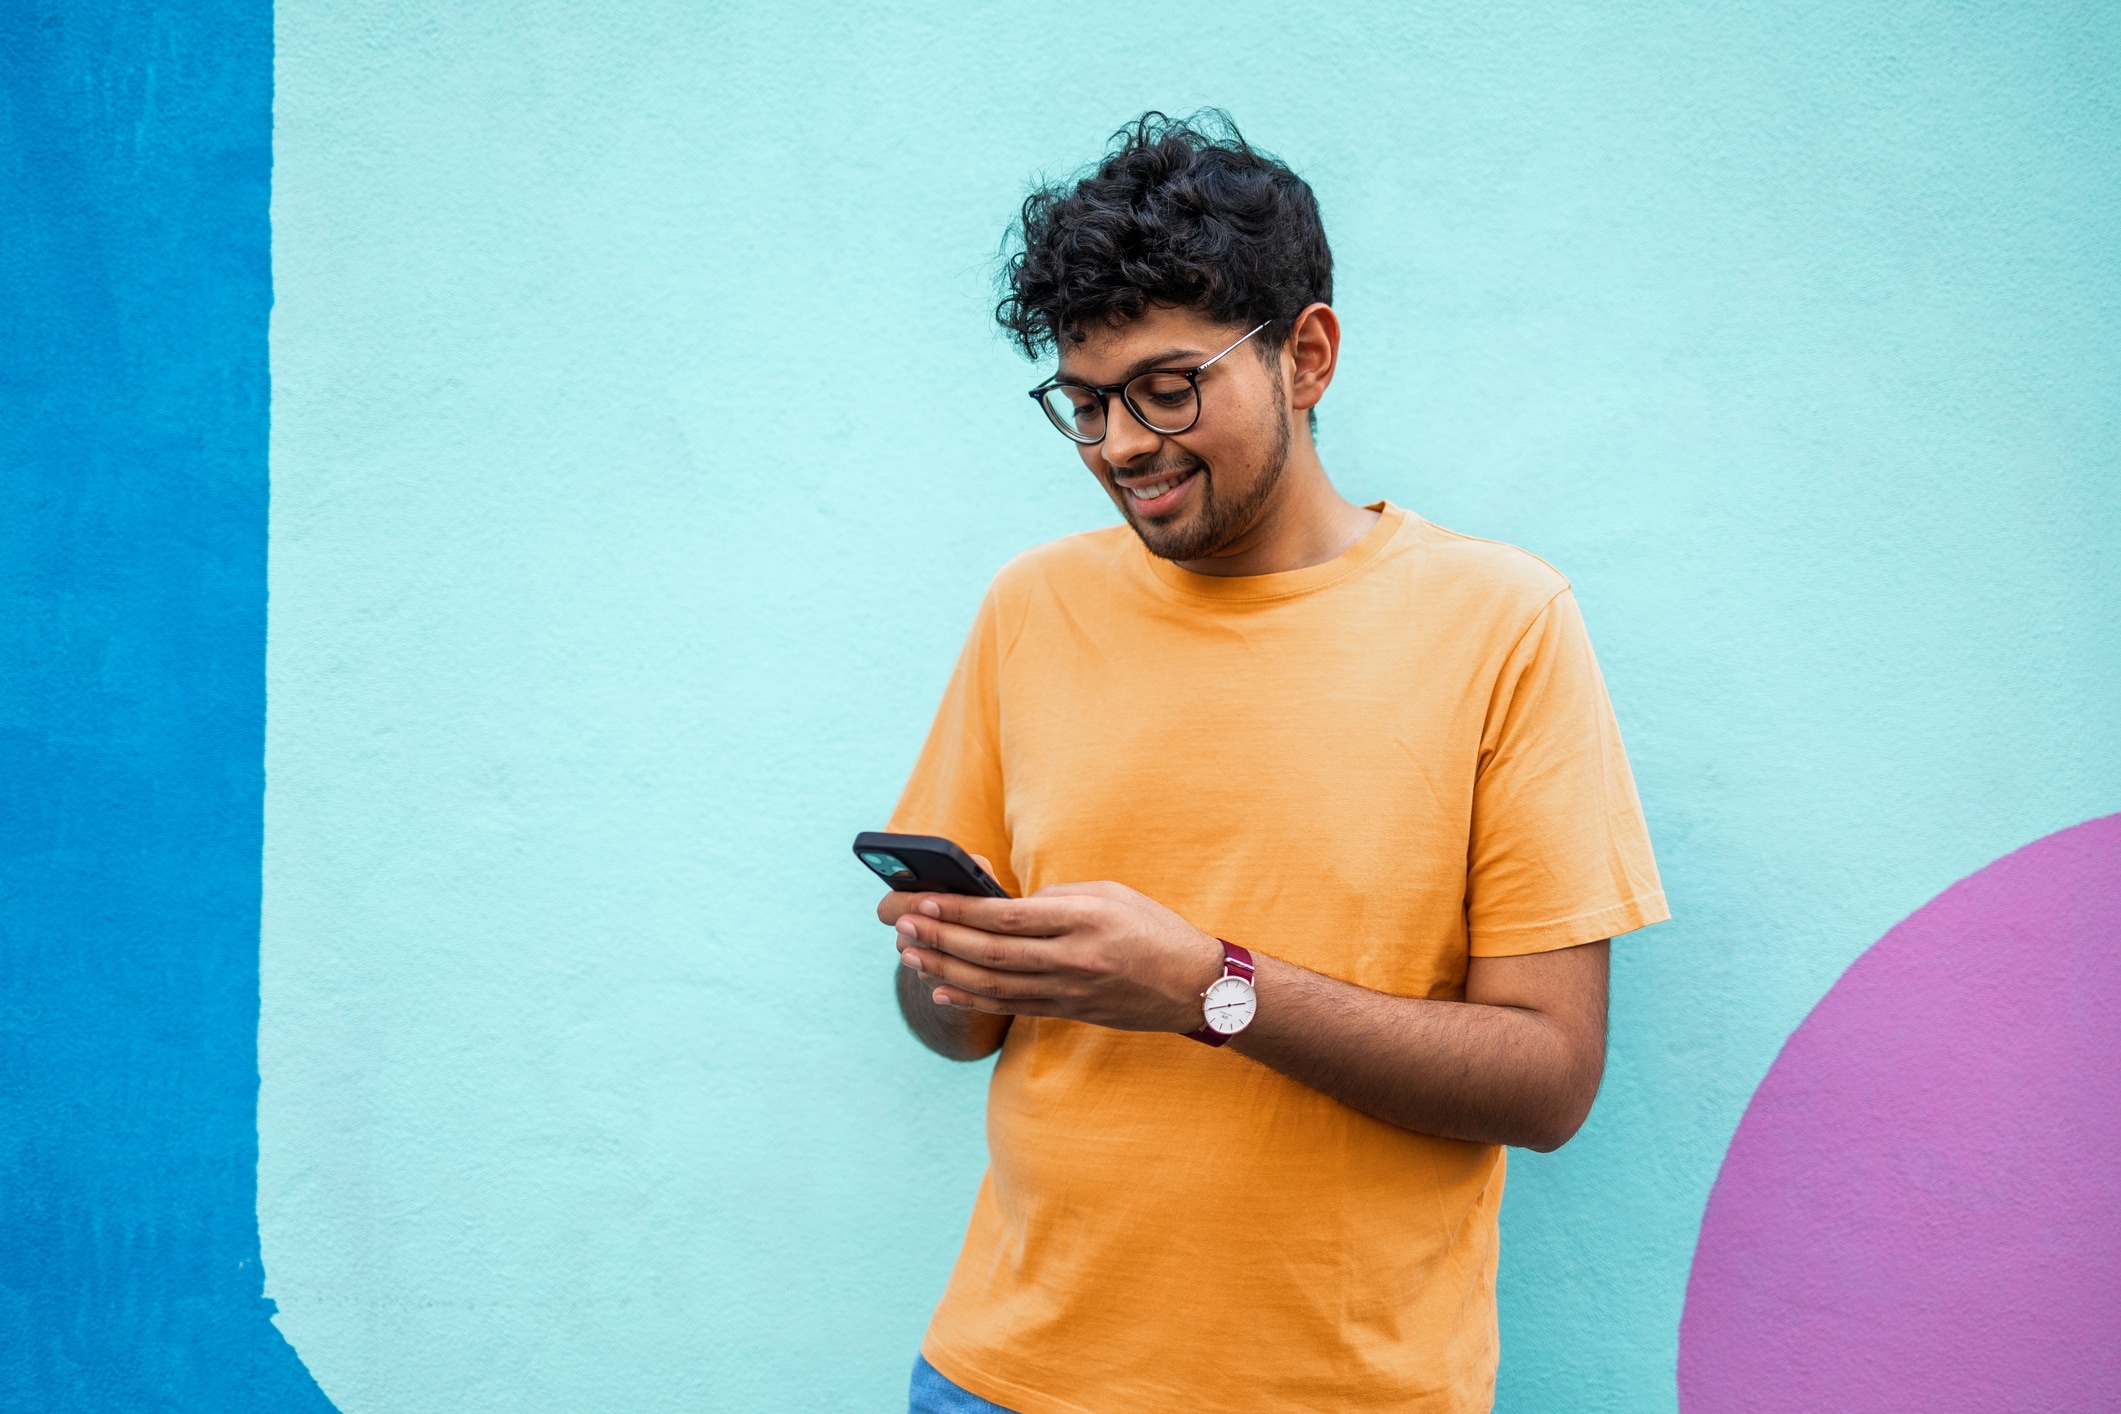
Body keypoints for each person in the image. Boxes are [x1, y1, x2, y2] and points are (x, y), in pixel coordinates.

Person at [879, 111, 1668, 1414]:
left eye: (1167, 386)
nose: (1122, 444)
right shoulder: (1031, 605)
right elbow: (952, 1029)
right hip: (1003, 1376)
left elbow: (1547, 1080)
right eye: (1087, 402)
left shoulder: (1501, 622)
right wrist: (951, 967)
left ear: (1305, 356)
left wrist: (1208, 988)